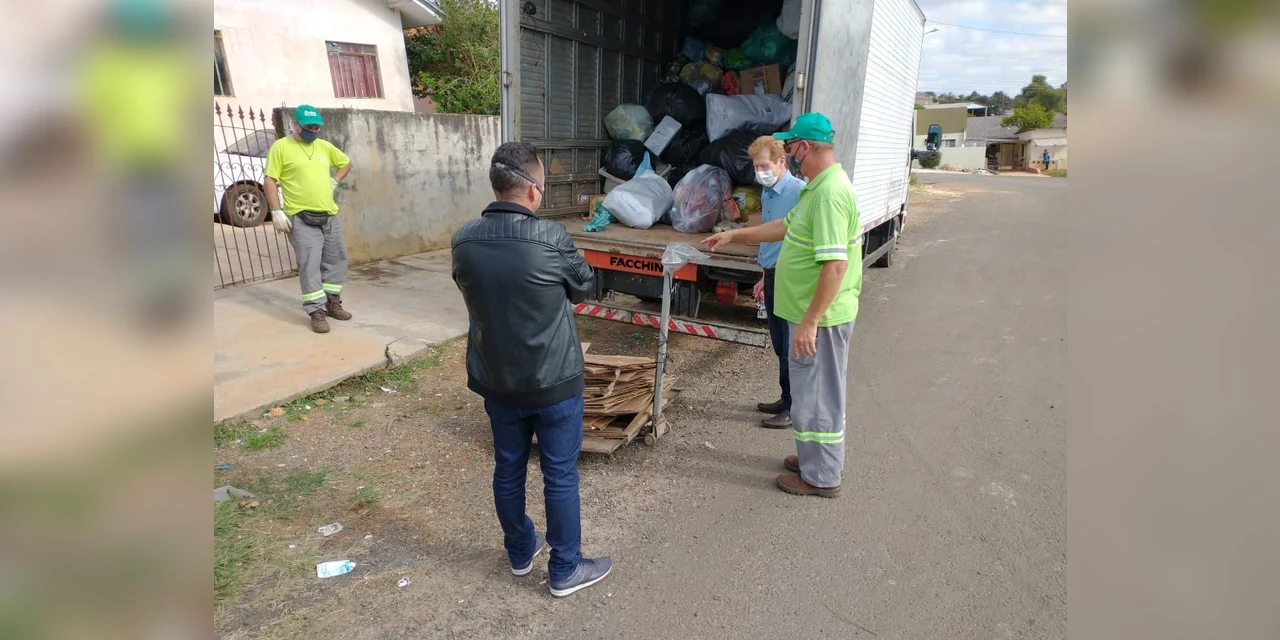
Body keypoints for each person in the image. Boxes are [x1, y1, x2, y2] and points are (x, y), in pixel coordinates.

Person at [450, 142, 611, 597]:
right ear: (534, 190)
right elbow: (584, 287)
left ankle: (521, 551)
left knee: (508, 467)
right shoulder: (551, 238)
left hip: (497, 381)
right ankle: (565, 567)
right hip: (554, 380)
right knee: (559, 473)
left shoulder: (463, 239)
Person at [701, 113, 861, 498]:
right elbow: (784, 228)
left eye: (789, 148)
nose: (788, 155)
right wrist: (735, 234)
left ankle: (821, 477)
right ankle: (811, 458)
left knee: (820, 396)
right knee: (808, 393)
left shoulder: (828, 195)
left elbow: (835, 265)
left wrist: (809, 322)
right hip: (808, 316)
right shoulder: (815, 189)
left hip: (819, 321)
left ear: (803, 148)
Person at [265, 104, 353, 334]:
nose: (314, 130)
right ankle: (316, 311)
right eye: (309, 126)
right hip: (300, 216)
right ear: (295, 125)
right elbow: (270, 180)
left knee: (336, 260)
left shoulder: (324, 146)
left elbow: (346, 163)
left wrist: (334, 181)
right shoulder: (281, 147)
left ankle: (332, 302)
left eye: (317, 127)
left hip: (329, 214)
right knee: (310, 263)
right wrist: (276, 211)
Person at [748, 136, 805, 430]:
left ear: (782, 162)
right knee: (779, 344)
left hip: (789, 279)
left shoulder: (799, 192)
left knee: (788, 347)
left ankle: (794, 407)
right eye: (756, 166)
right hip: (772, 276)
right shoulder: (768, 192)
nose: (760, 172)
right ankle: (786, 398)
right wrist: (763, 275)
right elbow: (771, 240)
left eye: (765, 165)